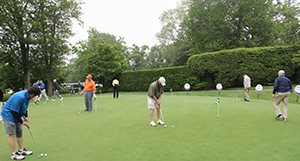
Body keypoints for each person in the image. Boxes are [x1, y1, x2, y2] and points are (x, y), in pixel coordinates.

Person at [1, 86, 41, 160]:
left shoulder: (27, 96)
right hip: (8, 115)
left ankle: (21, 150)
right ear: (31, 94)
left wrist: (26, 116)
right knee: (12, 134)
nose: (34, 97)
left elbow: (24, 108)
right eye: (35, 95)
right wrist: (22, 122)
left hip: (16, 114)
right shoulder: (20, 97)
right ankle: (14, 154)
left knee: (19, 132)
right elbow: (14, 111)